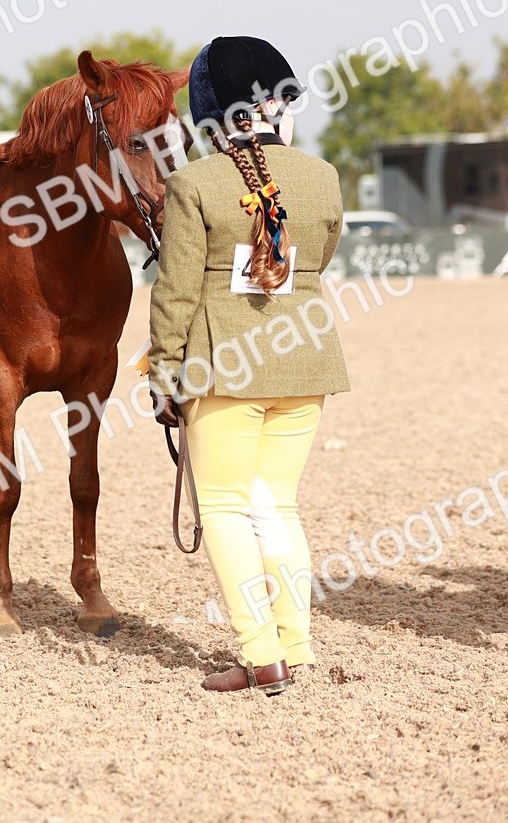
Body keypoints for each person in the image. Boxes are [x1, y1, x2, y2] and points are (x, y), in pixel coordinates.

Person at [148, 36, 350, 695]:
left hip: (222, 370)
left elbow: (175, 294)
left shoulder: (193, 183)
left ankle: (261, 655)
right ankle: (301, 646)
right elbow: (320, 258)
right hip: (304, 367)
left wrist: (162, 377)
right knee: (279, 507)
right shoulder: (323, 178)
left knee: (228, 508)